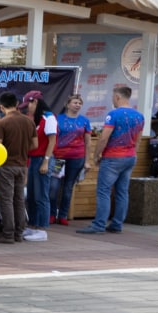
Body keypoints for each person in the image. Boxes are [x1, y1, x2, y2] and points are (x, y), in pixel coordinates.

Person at [79, 85, 145, 235]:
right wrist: (133, 154)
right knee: (122, 192)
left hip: (113, 157)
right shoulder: (140, 116)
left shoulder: (113, 114)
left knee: (103, 191)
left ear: (117, 97)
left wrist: (96, 155)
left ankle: (99, 224)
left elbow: (103, 137)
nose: (112, 100)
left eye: (112, 97)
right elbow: (138, 140)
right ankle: (117, 224)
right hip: (130, 156)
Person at [0, 91, 35, 244]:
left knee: (6, 200)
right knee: (19, 200)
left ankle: (8, 234)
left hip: (6, 166)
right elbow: (35, 145)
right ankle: (19, 233)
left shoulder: (2, 123)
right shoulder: (29, 122)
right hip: (22, 165)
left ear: (1, 106)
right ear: (17, 104)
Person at [49, 94, 90, 225]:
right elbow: (52, 138)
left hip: (76, 157)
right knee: (54, 187)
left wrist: (87, 161)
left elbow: (87, 142)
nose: (77, 105)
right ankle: (51, 213)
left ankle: (63, 215)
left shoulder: (84, 121)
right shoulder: (57, 119)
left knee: (68, 188)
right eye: (75, 102)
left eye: (79, 103)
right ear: (67, 104)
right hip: (58, 158)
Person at [23, 92, 56, 241]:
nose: (27, 108)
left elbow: (52, 141)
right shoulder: (36, 119)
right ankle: (32, 226)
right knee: (31, 195)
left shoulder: (49, 118)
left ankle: (42, 229)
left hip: (43, 159)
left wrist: (46, 161)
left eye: (29, 105)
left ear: (35, 101)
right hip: (34, 159)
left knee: (41, 195)